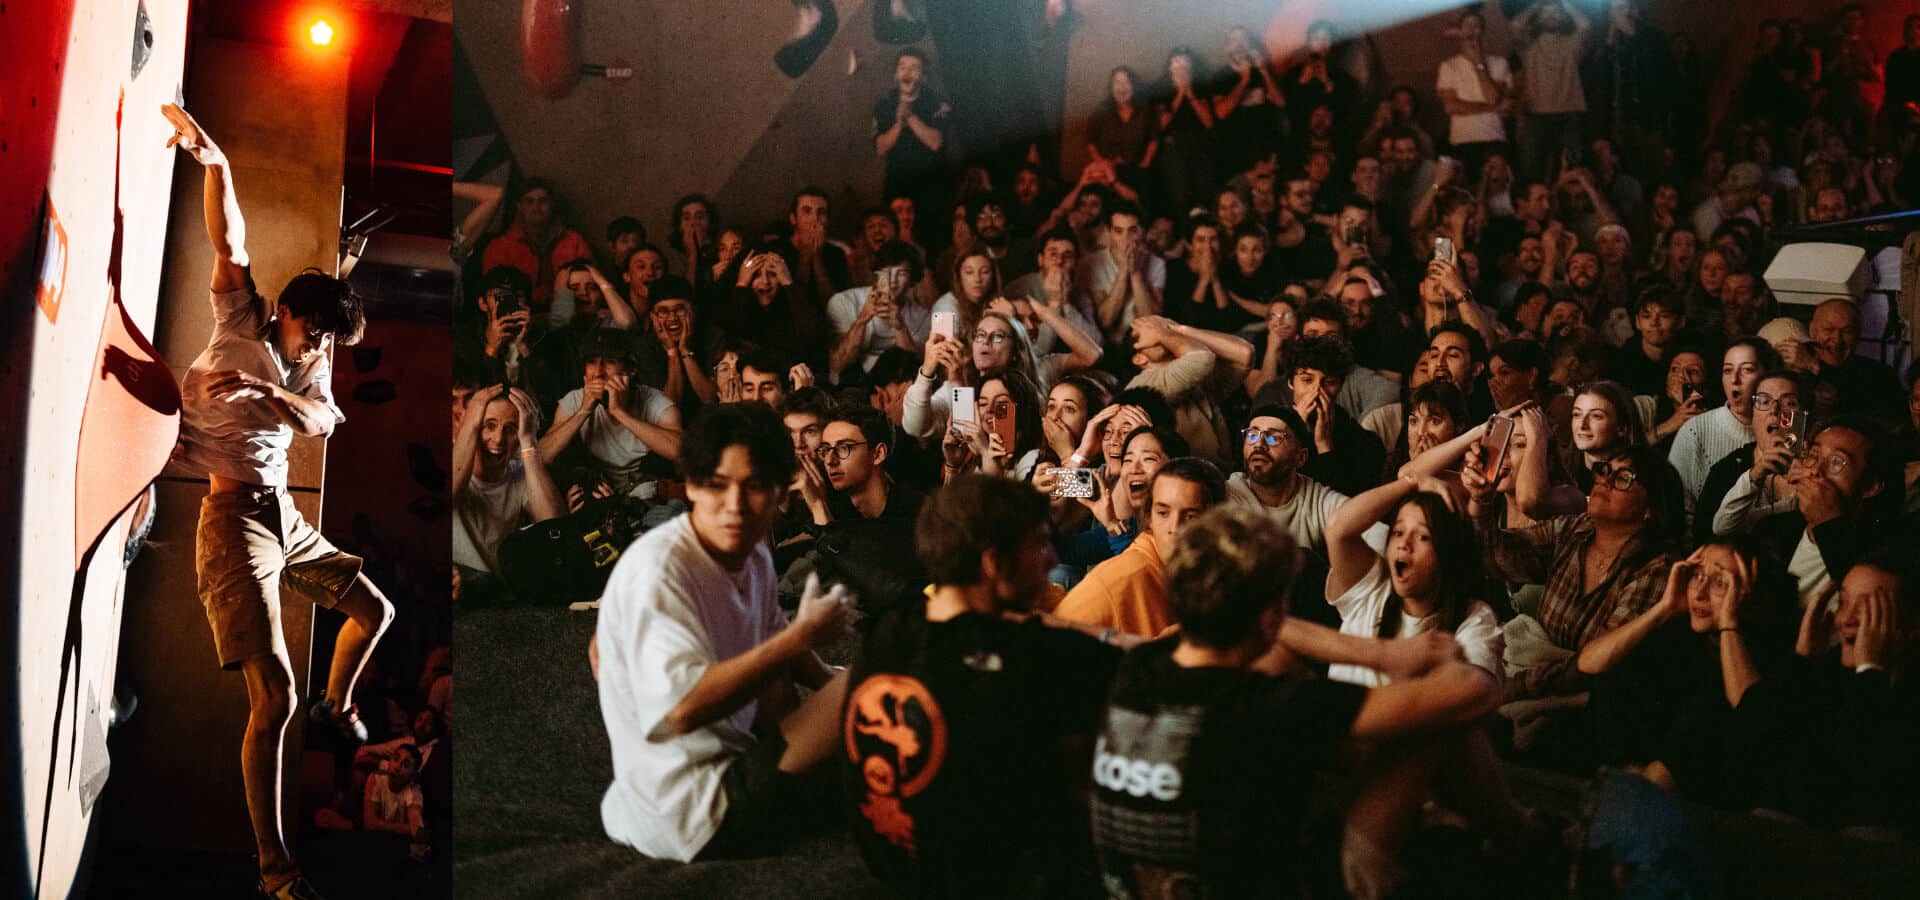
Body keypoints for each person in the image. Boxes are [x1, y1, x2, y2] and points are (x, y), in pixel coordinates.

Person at [164, 103, 394, 900]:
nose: (321, 351)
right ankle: (274, 869)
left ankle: (341, 704)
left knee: (377, 612)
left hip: (285, 518)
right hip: (233, 520)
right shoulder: (241, 316)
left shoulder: (306, 371)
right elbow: (229, 243)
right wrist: (216, 163)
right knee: (273, 698)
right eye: (316, 335)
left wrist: (275, 389)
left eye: (332, 343)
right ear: (285, 315)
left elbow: (325, 423)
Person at [1090, 505, 1511, 900]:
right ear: (1271, 616)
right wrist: (1417, 657)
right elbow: (1472, 690)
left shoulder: (1139, 666)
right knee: (1430, 724)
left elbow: (1282, 635)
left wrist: (1381, 654)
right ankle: (1525, 840)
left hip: (1124, 886)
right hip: (1288, 881)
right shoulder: (1274, 706)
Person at [839, 475, 1124, 896]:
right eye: (1041, 544)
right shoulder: (1049, 656)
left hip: (891, 868)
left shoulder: (888, 631)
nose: (1050, 559)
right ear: (995, 564)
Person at [597, 403, 854, 861]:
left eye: (754, 487)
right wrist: (809, 646)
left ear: (780, 493)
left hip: (733, 760)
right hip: (694, 810)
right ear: (692, 486)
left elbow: (776, 643)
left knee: (864, 686)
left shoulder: (753, 556)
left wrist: (828, 680)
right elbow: (678, 713)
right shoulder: (659, 569)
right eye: (717, 486)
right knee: (877, 674)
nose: (734, 507)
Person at [1055, 458, 1227, 637]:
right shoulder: (1118, 581)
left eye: (1191, 516)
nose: (1175, 528)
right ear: (1149, 517)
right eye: (1163, 513)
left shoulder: (1214, 573)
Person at [789, 403, 927, 612]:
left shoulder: (918, 512)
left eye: (845, 448)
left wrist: (819, 509)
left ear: (878, 454)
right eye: (825, 450)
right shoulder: (837, 509)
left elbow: (883, 585)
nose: (830, 460)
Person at [536, 328, 683, 500]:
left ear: (631, 369)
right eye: (591, 362)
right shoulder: (574, 400)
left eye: (609, 361)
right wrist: (584, 411)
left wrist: (619, 413)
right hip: (597, 489)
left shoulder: (654, 401)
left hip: (644, 489)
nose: (598, 372)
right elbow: (541, 457)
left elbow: (680, 450)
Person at [451, 386, 566, 592]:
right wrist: (473, 414)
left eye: (511, 429)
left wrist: (528, 440)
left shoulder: (521, 472)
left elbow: (553, 525)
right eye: (489, 426)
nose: (498, 440)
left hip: (500, 597)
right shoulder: (450, 465)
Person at [481, 177, 593, 315]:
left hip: (569, 317)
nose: (536, 207)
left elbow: (592, 287)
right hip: (517, 319)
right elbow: (493, 294)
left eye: (543, 201)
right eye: (529, 201)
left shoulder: (573, 241)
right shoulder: (500, 247)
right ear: (519, 206)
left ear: (552, 204)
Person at [873, 48, 952, 235]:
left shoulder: (937, 102)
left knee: (933, 235)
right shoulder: (883, 106)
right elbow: (881, 147)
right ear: (895, 74)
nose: (907, 73)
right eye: (902, 68)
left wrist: (909, 116)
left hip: (931, 186)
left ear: (923, 76)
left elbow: (936, 142)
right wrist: (899, 124)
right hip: (897, 186)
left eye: (914, 68)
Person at [1434, 8, 1512, 173]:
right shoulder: (1448, 66)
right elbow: (1452, 107)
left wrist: (1478, 64)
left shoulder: (1499, 63)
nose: (1471, 30)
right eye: (1467, 25)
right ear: (1460, 31)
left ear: (1482, 31)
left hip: (1494, 139)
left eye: (1476, 25)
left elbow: (1492, 97)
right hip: (1462, 141)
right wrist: (1494, 109)